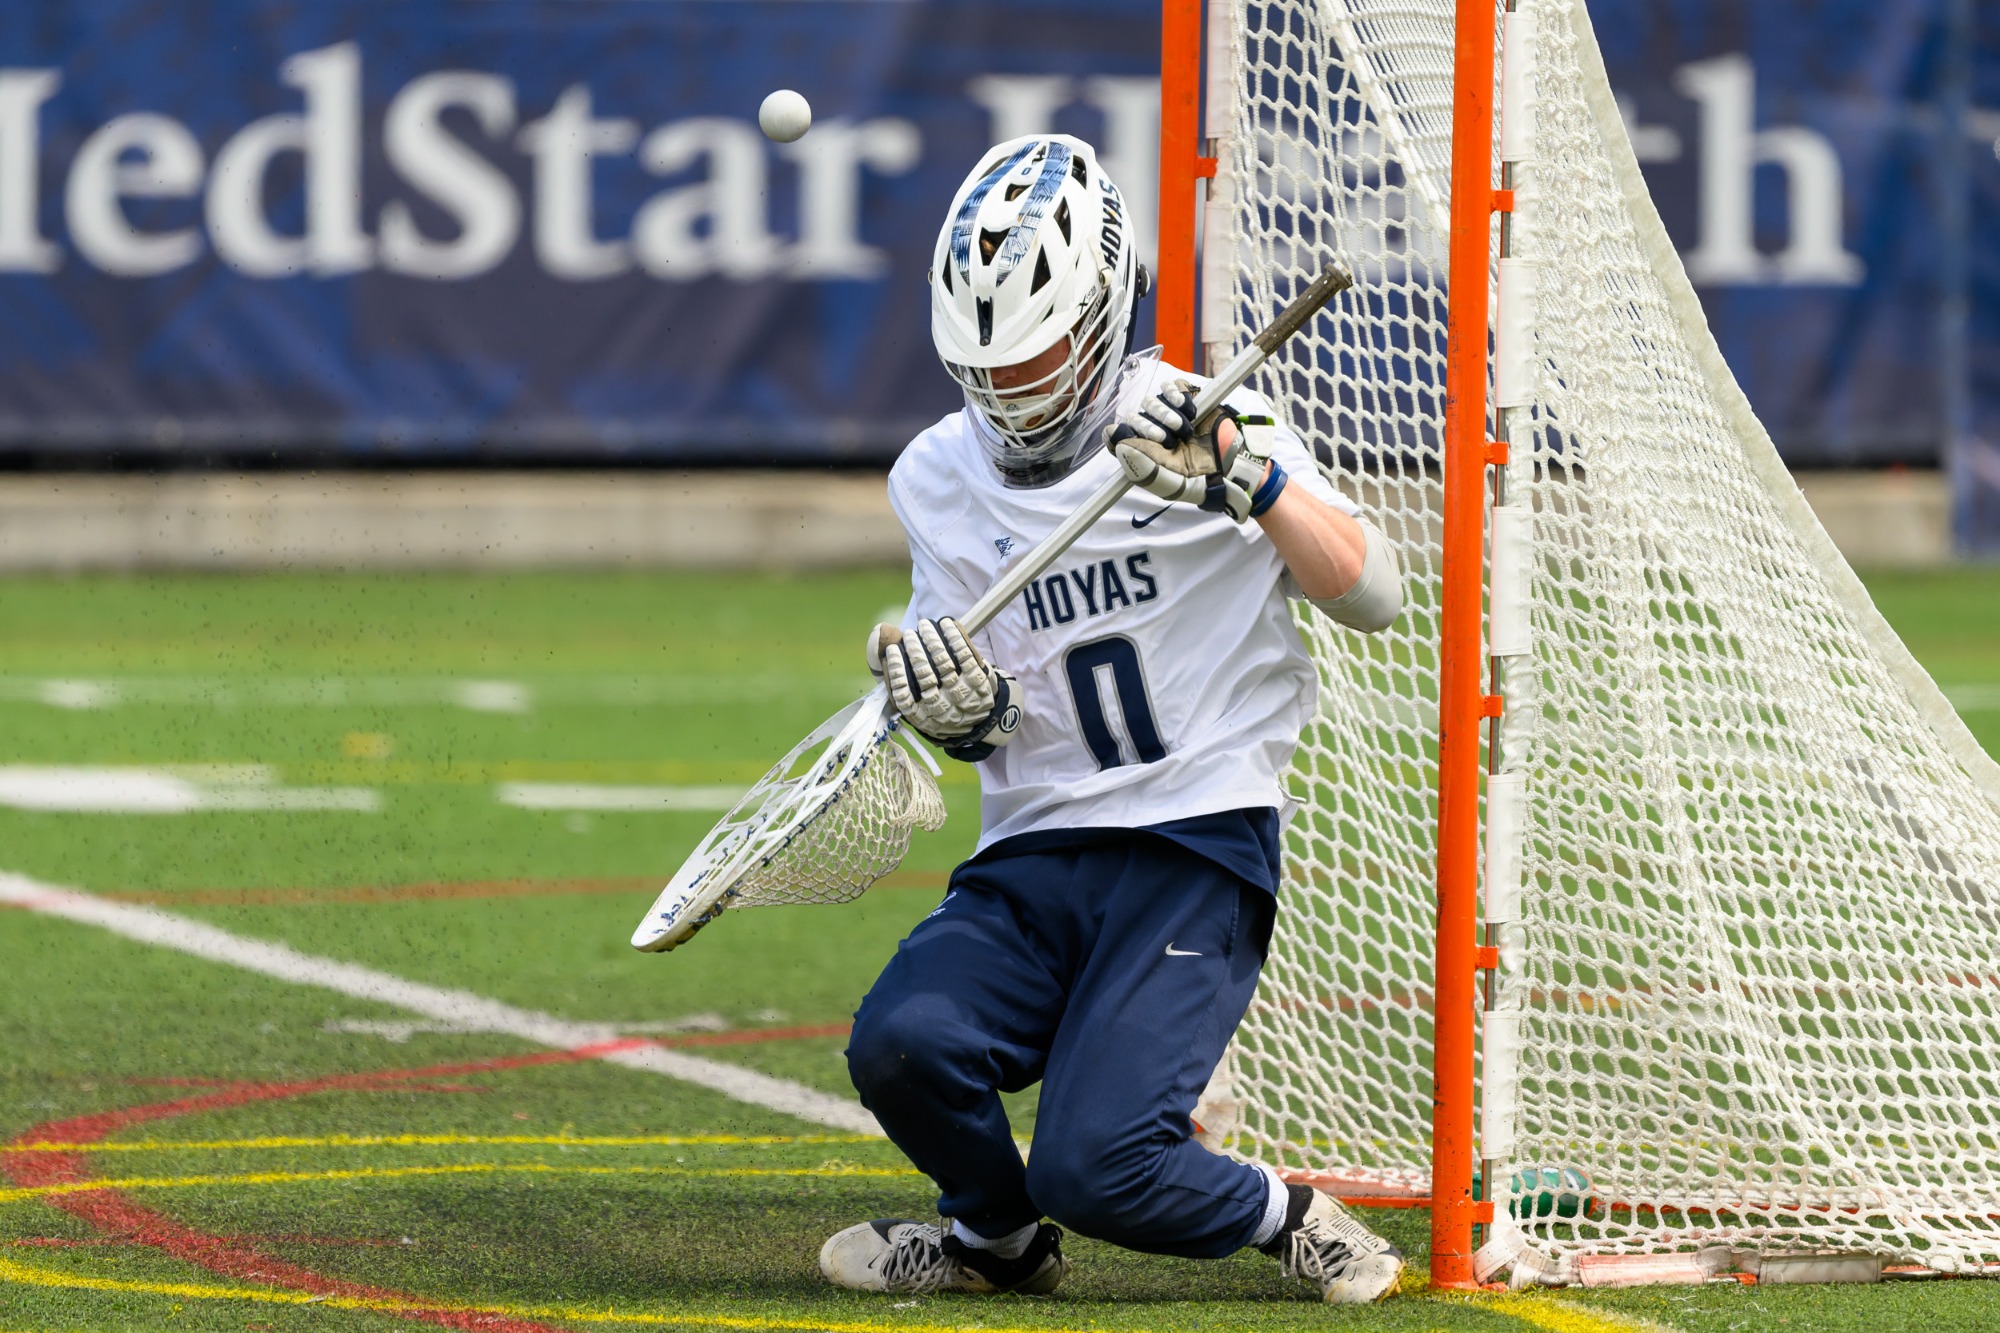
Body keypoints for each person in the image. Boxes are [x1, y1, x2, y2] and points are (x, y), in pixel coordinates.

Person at [816, 134, 1407, 1305]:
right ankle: (993, 1238)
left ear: (1096, 322)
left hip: (1190, 842)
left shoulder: (1200, 417)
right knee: (901, 1044)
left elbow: (1375, 593)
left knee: (1095, 1167)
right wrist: (962, 712)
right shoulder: (934, 475)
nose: (1007, 395)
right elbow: (988, 707)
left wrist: (1248, 476)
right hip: (1032, 847)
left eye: (1033, 365)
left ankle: (1285, 1214)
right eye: (984, 371)